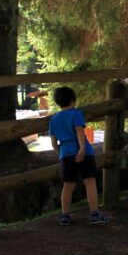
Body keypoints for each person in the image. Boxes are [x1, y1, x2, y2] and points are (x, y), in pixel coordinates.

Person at [49, 86, 109, 226]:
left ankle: (64, 216)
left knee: (68, 185)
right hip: (84, 153)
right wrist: (82, 149)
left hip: (65, 153)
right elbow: (79, 131)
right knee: (90, 182)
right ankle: (94, 214)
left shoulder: (54, 120)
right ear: (72, 100)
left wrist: (61, 155)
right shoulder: (76, 114)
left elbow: (53, 142)